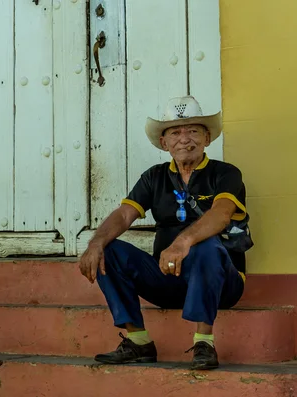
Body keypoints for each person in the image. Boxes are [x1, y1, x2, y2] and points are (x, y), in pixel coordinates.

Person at [79, 96, 251, 370]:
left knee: (206, 246)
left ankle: (204, 343)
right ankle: (138, 341)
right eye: (175, 132)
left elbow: (221, 214)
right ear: (164, 143)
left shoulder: (226, 173)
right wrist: (96, 242)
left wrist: (183, 242)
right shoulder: (154, 177)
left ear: (207, 138)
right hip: (168, 277)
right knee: (108, 251)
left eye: (193, 131)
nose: (184, 139)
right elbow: (125, 214)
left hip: (222, 284)